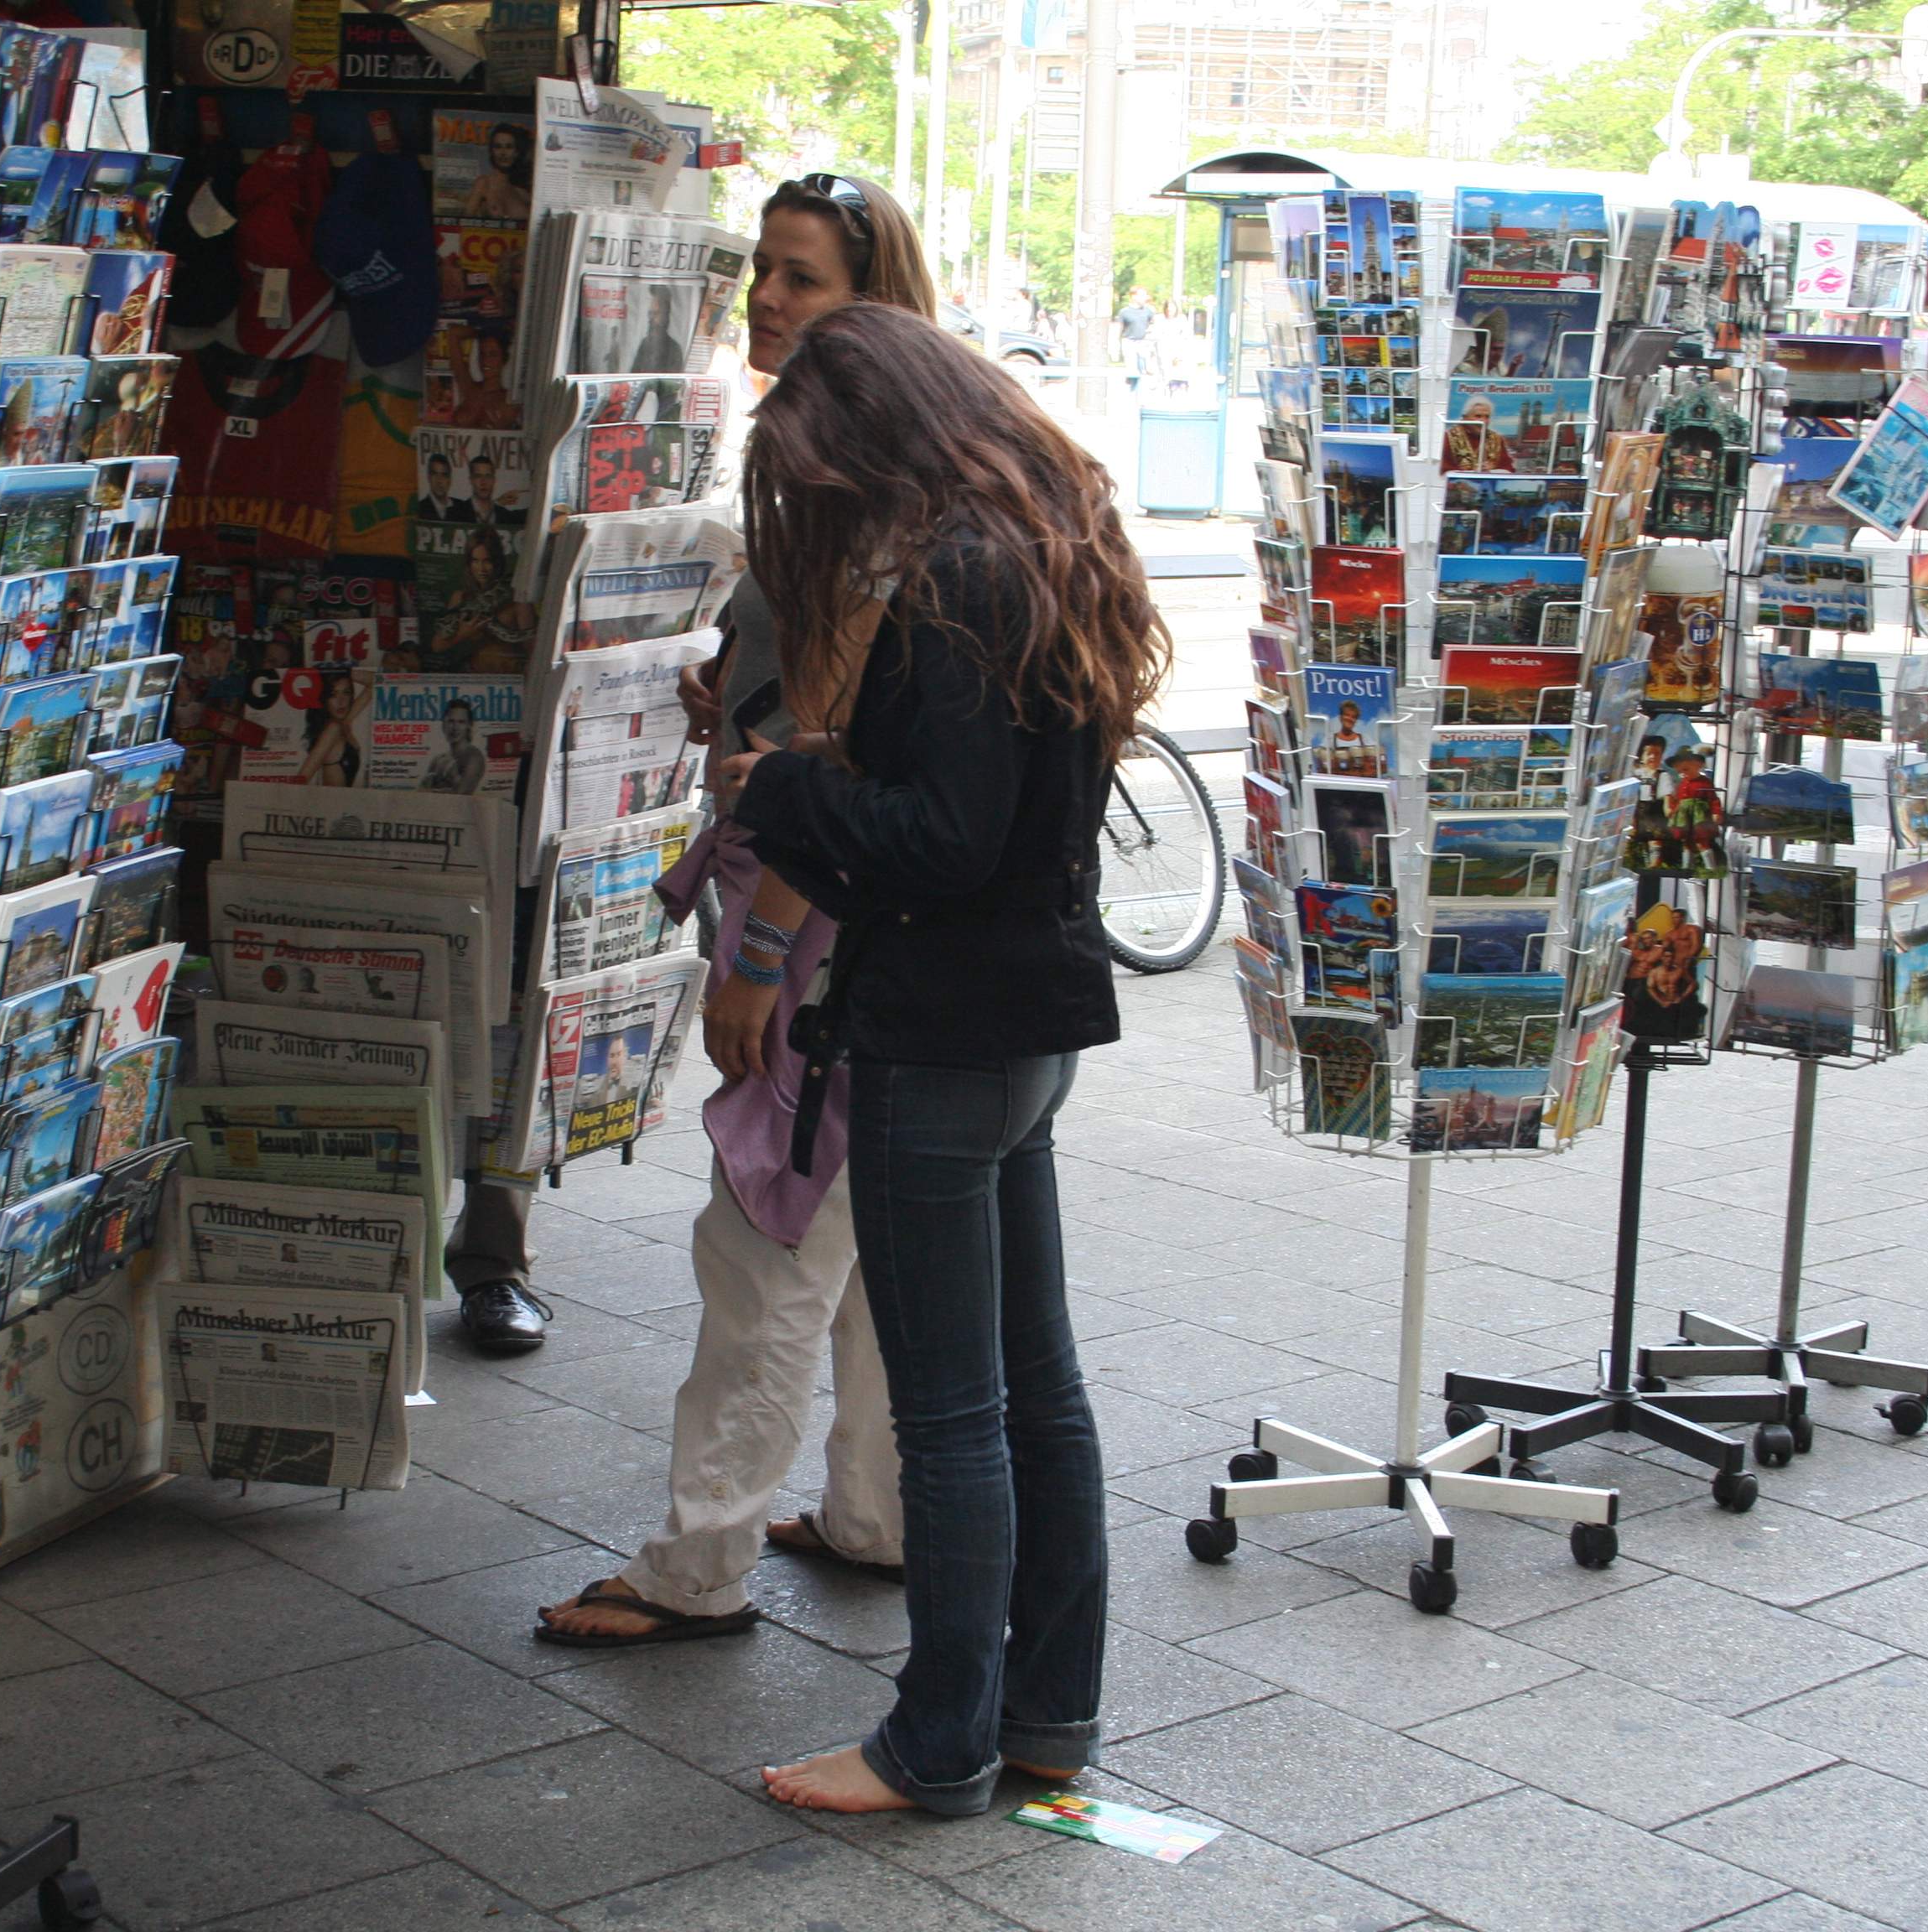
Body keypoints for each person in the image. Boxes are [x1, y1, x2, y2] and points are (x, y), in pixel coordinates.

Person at [711, 301, 1169, 1815]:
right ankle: (1046, 1714)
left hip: (943, 1031)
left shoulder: (964, 575)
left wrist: (783, 793)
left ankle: (941, 1736)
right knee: (1038, 1389)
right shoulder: (1050, 539)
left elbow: (941, 838)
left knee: (958, 1407)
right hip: (1028, 1027)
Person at [536, 171, 939, 1646]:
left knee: (767, 1237)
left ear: (871, 303)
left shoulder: (842, 484)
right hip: (883, 929)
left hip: (817, 924)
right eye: (761, 272)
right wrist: (739, 689)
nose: (765, 301)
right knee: (863, 1242)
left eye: (801, 279)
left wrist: (756, 960)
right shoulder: (894, 467)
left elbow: (825, 761)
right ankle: (875, 1514)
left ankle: (698, 1562)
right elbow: (830, 708)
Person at [1116, 287, 1156, 389]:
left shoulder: (1148, 311)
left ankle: (1143, 395)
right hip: (1129, 342)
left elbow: (1153, 323)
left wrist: (1150, 331)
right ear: (1134, 297)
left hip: (1143, 342)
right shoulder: (1124, 312)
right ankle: (1132, 389)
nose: (1145, 298)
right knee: (1132, 371)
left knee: (1144, 369)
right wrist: (1116, 344)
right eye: (1142, 295)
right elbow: (1120, 329)